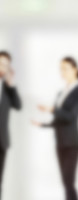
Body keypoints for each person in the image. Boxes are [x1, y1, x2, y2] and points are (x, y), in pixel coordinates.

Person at [32, 56, 78, 200]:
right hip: (60, 141)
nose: (62, 72)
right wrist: (43, 124)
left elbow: (71, 116)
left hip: (72, 142)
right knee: (65, 182)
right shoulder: (60, 93)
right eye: (61, 69)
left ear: (75, 70)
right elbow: (59, 120)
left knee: (69, 182)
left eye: (65, 68)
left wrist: (51, 109)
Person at [0, 51, 21, 199]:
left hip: (1, 141)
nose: (2, 67)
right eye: (0, 63)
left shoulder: (8, 88)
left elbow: (18, 105)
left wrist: (11, 84)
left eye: (6, 65)